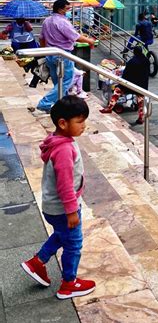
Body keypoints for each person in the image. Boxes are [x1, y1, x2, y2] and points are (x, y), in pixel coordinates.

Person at [21, 96, 96, 300]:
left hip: (54, 208)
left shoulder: (59, 141)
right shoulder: (64, 149)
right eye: (79, 121)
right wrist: (72, 212)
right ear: (63, 123)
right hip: (64, 209)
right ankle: (69, 284)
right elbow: (64, 185)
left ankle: (37, 263)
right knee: (73, 244)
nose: (84, 126)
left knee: (62, 236)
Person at [31, 0, 95, 115]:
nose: (68, 11)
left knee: (58, 83)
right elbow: (75, 36)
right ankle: (45, 103)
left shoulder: (47, 21)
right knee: (66, 81)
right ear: (60, 9)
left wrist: (45, 51)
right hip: (62, 54)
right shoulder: (62, 22)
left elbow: (41, 38)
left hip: (51, 54)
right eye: (67, 8)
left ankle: (62, 105)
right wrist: (89, 40)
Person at [100, 46, 149, 124]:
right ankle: (141, 118)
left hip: (130, 85)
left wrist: (121, 83)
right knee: (140, 100)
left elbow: (126, 75)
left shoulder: (132, 62)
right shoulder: (146, 61)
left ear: (134, 52)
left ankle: (109, 108)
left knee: (117, 90)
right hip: (142, 86)